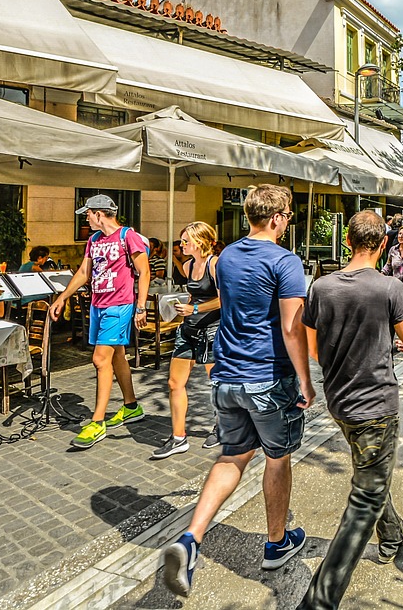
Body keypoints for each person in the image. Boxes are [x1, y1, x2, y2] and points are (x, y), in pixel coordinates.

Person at [162, 184, 314, 596]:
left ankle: (191, 538)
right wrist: (306, 377)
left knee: (233, 456)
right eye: (288, 218)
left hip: (226, 376)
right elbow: (291, 327)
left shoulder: (226, 257)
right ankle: (276, 542)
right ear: (279, 218)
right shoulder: (286, 261)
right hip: (267, 375)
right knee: (277, 458)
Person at [296, 210, 403, 609]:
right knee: (365, 496)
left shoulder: (320, 287)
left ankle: (392, 532)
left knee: (370, 471)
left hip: (339, 400)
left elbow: (314, 348)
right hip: (375, 404)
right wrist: (390, 344)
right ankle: (320, 599)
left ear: (348, 241)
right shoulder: (390, 288)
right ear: (383, 243)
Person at [49, 194, 150, 450]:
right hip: (98, 304)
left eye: (87, 214)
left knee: (99, 359)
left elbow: (144, 271)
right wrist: (62, 297)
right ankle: (131, 406)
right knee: (117, 357)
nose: (85, 218)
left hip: (120, 305)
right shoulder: (93, 240)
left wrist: (141, 307)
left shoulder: (129, 236)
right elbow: (84, 272)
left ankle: (97, 422)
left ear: (99, 213)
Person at [152, 221, 222, 460]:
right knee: (174, 383)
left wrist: (195, 308)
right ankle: (178, 437)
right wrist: (177, 304)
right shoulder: (189, 265)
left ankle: (222, 426)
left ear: (200, 242)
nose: (180, 245)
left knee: (217, 383)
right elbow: (193, 294)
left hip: (213, 330)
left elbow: (225, 299)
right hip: (188, 330)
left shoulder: (215, 264)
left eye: (185, 241)